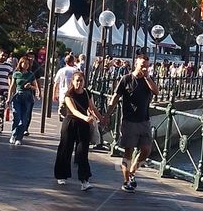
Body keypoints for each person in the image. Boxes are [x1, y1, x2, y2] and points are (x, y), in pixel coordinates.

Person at [108, 51, 157, 192]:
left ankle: (133, 171)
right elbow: (116, 97)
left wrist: (147, 78)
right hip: (129, 121)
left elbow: (156, 91)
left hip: (144, 120)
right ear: (136, 64)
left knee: (146, 149)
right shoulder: (126, 79)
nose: (144, 68)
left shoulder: (148, 80)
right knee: (128, 151)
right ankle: (126, 181)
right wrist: (107, 115)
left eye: (147, 66)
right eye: (142, 65)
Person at [54, 71, 102, 191]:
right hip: (70, 123)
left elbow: (92, 107)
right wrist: (85, 117)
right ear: (72, 81)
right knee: (65, 149)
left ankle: (84, 180)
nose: (79, 83)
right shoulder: (69, 94)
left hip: (83, 126)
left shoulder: (86, 93)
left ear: (84, 82)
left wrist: (102, 118)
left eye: (81, 81)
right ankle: (61, 175)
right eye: (77, 81)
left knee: (82, 152)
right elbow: (74, 110)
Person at [7, 55, 40, 146]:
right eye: (24, 63)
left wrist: (30, 86)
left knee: (24, 119)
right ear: (20, 63)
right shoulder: (16, 74)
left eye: (27, 64)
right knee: (16, 116)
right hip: (18, 96)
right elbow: (12, 86)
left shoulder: (31, 74)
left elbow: (36, 87)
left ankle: (19, 137)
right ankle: (13, 135)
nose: (25, 65)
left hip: (27, 97)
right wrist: (9, 98)